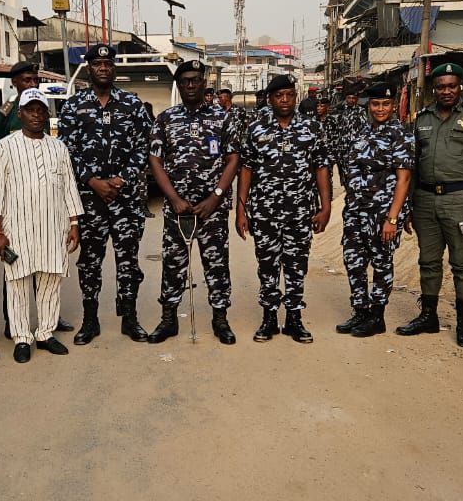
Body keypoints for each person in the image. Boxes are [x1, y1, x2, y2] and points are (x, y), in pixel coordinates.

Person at [57, 42, 154, 344]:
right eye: (97, 64)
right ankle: (90, 320)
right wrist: (91, 181)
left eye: (108, 64)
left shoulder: (132, 104)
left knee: (128, 261)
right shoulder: (73, 106)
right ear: (89, 68)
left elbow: (145, 146)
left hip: (125, 200)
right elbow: (65, 149)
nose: (103, 68)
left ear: (113, 68)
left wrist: (122, 179)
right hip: (89, 200)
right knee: (90, 262)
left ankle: (130, 318)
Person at [396, 62, 463, 347]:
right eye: (441, 87)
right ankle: (428, 316)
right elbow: (412, 165)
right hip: (426, 200)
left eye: (452, 86)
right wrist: (410, 207)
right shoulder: (422, 119)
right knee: (428, 262)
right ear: (434, 89)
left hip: (460, 200)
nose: (446, 91)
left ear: (460, 87)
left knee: (461, 264)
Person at [147, 58, 241, 344]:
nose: (190, 85)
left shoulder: (223, 118)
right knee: (173, 264)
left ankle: (220, 319)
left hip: (211, 209)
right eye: (185, 80)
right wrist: (173, 198)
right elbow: (155, 159)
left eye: (195, 80)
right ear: (178, 84)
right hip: (178, 209)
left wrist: (216, 198)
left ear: (203, 83)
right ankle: (168, 319)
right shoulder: (166, 119)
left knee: (216, 264)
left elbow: (233, 158)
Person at [0, 89, 84, 363]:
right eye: (31, 110)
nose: (37, 115)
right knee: (17, 282)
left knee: (51, 280)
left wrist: (74, 223)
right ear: (20, 113)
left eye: (42, 110)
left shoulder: (58, 147)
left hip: (54, 228)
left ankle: (45, 333)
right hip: (17, 228)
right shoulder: (4, 147)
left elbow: (68, 188)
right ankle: (21, 338)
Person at [236, 73, 331, 343]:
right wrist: (241, 209)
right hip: (265, 212)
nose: (285, 100)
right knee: (267, 265)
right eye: (279, 95)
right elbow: (247, 169)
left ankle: (293, 319)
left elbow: (321, 167)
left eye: (290, 94)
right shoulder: (256, 129)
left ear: (296, 96)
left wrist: (325, 207)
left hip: (300, 212)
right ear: (270, 98)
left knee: (296, 265)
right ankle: (268, 318)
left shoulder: (311, 128)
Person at [336, 80, 415, 338]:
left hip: (383, 213)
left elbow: (403, 180)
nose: (380, 109)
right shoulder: (363, 133)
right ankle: (360, 311)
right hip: (357, 211)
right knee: (354, 261)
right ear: (368, 106)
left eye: (385, 104)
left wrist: (393, 219)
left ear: (393, 106)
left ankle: (377, 316)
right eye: (375, 104)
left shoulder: (401, 135)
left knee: (381, 263)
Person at [0, 59, 38, 146]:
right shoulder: (1, 115)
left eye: (36, 80)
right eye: (27, 80)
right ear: (14, 82)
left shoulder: (43, 112)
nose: (33, 85)